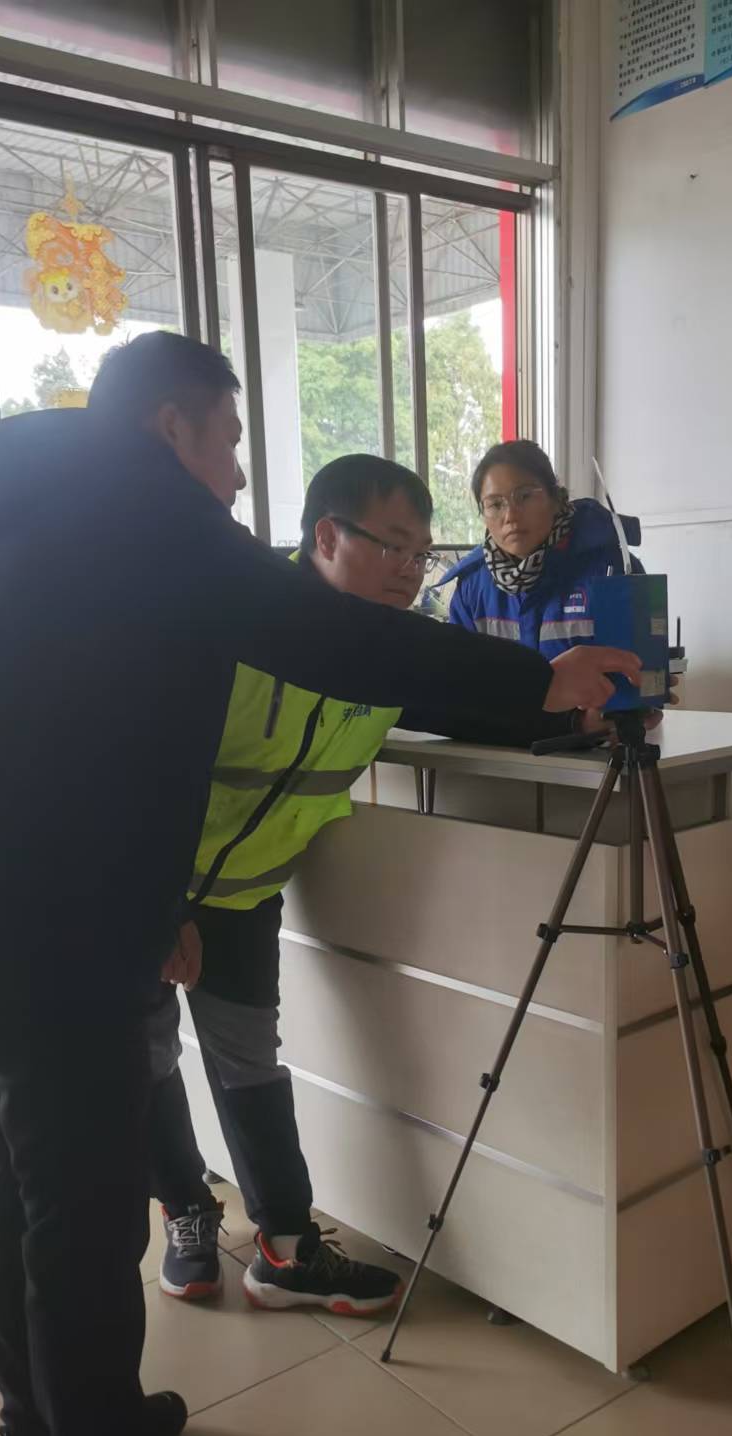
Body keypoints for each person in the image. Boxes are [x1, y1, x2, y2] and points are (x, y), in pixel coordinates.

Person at [0, 331, 638, 1436]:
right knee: (82, 1225)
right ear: (169, 425)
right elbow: (328, 636)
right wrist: (540, 682)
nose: (233, 476)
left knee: (12, 1194)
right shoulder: (142, 507)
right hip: (62, 933)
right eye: (225, 440)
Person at [148, 454, 596, 1317]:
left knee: (248, 1062)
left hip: (245, 893)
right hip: (153, 878)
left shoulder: (382, 652)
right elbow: (145, 766)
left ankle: (285, 1250)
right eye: (392, 545)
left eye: (421, 553)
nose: (408, 570)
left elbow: (459, 701)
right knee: (147, 1057)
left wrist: (571, 711)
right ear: (326, 535)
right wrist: (162, 900)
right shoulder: (238, 624)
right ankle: (185, 1210)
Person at [440, 439, 644, 658]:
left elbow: (642, 669)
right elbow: (458, 674)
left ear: (555, 499)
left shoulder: (613, 571)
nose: (510, 516)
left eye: (525, 497)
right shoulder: (472, 588)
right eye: (496, 504)